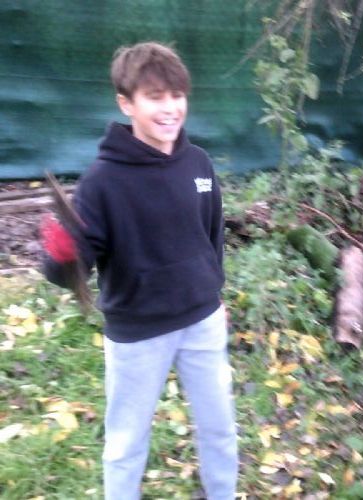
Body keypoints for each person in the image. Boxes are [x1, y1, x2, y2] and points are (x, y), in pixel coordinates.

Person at [40, 41, 238, 500]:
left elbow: (212, 238)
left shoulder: (199, 163)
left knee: (221, 430)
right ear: (126, 104)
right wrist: (61, 253)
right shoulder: (102, 182)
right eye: (155, 97)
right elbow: (70, 271)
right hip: (138, 334)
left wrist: (216, 294)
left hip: (203, 323)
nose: (170, 108)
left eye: (177, 95)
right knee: (125, 444)